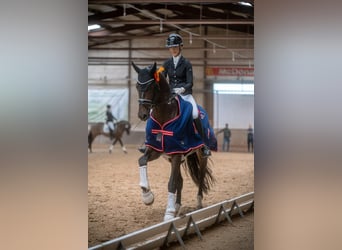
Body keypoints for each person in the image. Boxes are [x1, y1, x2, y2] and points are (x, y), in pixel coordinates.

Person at [162, 33, 211, 157]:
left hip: (185, 95)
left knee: (194, 113)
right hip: (171, 95)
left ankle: (204, 145)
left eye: (175, 47)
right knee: (154, 110)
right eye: (171, 47)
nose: (173, 50)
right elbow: (161, 78)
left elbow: (190, 83)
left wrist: (181, 89)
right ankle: (151, 141)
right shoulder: (166, 63)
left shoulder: (187, 63)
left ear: (181, 47)